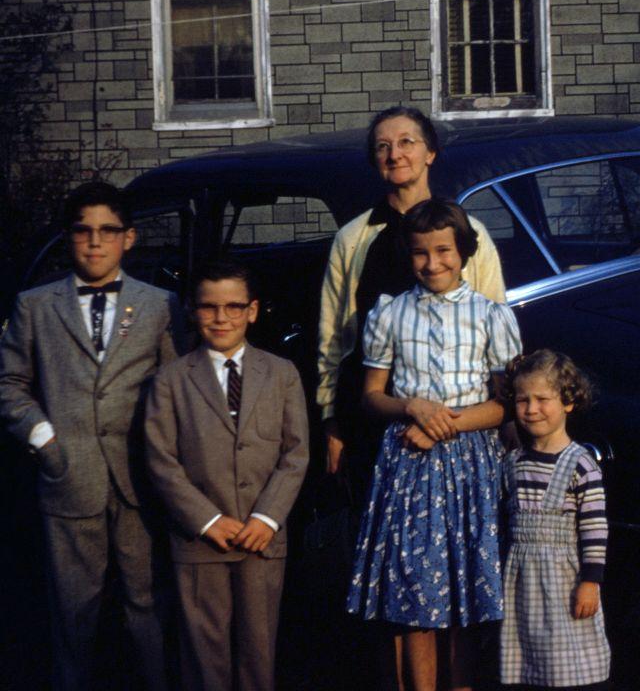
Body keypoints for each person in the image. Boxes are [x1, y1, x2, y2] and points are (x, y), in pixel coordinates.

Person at [0, 181, 183, 691]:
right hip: (67, 477)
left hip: (139, 482)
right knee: (73, 612)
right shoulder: (34, 306)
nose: (95, 243)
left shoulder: (160, 304)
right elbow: (9, 381)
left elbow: (175, 389)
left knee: (146, 606)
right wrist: (43, 439)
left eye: (107, 231)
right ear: (68, 238)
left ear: (129, 238)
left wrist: (163, 456)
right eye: (83, 231)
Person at [346, 198, 522, 691]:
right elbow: (371, 398)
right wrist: (413, 409)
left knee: (465, 593)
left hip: (472, 469)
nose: (433, 263)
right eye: (421, 253)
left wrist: (443, 424)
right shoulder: (391, 313)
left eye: (444, 250)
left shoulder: (491, 316)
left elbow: (504, 406)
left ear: (464, 251)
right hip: (409, 466)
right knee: (414, 593)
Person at [317, 105, 506, 487]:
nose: (395, 154)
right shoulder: (353, 239)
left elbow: (495, 331)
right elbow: (333, 337)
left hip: (458, 420)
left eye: (407, 142)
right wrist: (331, 418)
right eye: (383, 146)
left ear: (430, 153)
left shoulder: (474, 234)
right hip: (376, 414)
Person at [144, 258, 309, 691]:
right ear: (191, 311)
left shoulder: (281, 373)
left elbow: (296, 454)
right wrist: (207, 519)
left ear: (252, 311)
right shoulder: (170, 380)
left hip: (261, 538)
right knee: (203, 658)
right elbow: (161, 461)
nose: (221, 318)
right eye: (208, 307)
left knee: (259, 656)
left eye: (234, 307)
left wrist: (267, 518)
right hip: (200, 540)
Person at [499, 350, 611, 690]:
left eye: (542, 399)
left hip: (563, 580)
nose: (531, 409)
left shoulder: (581, 464)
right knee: (527, 662)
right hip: (520, 578)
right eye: (522, 400)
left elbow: (594, 528)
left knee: (565, 662)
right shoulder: (512, 462)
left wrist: (591, 582)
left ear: (568, 402)